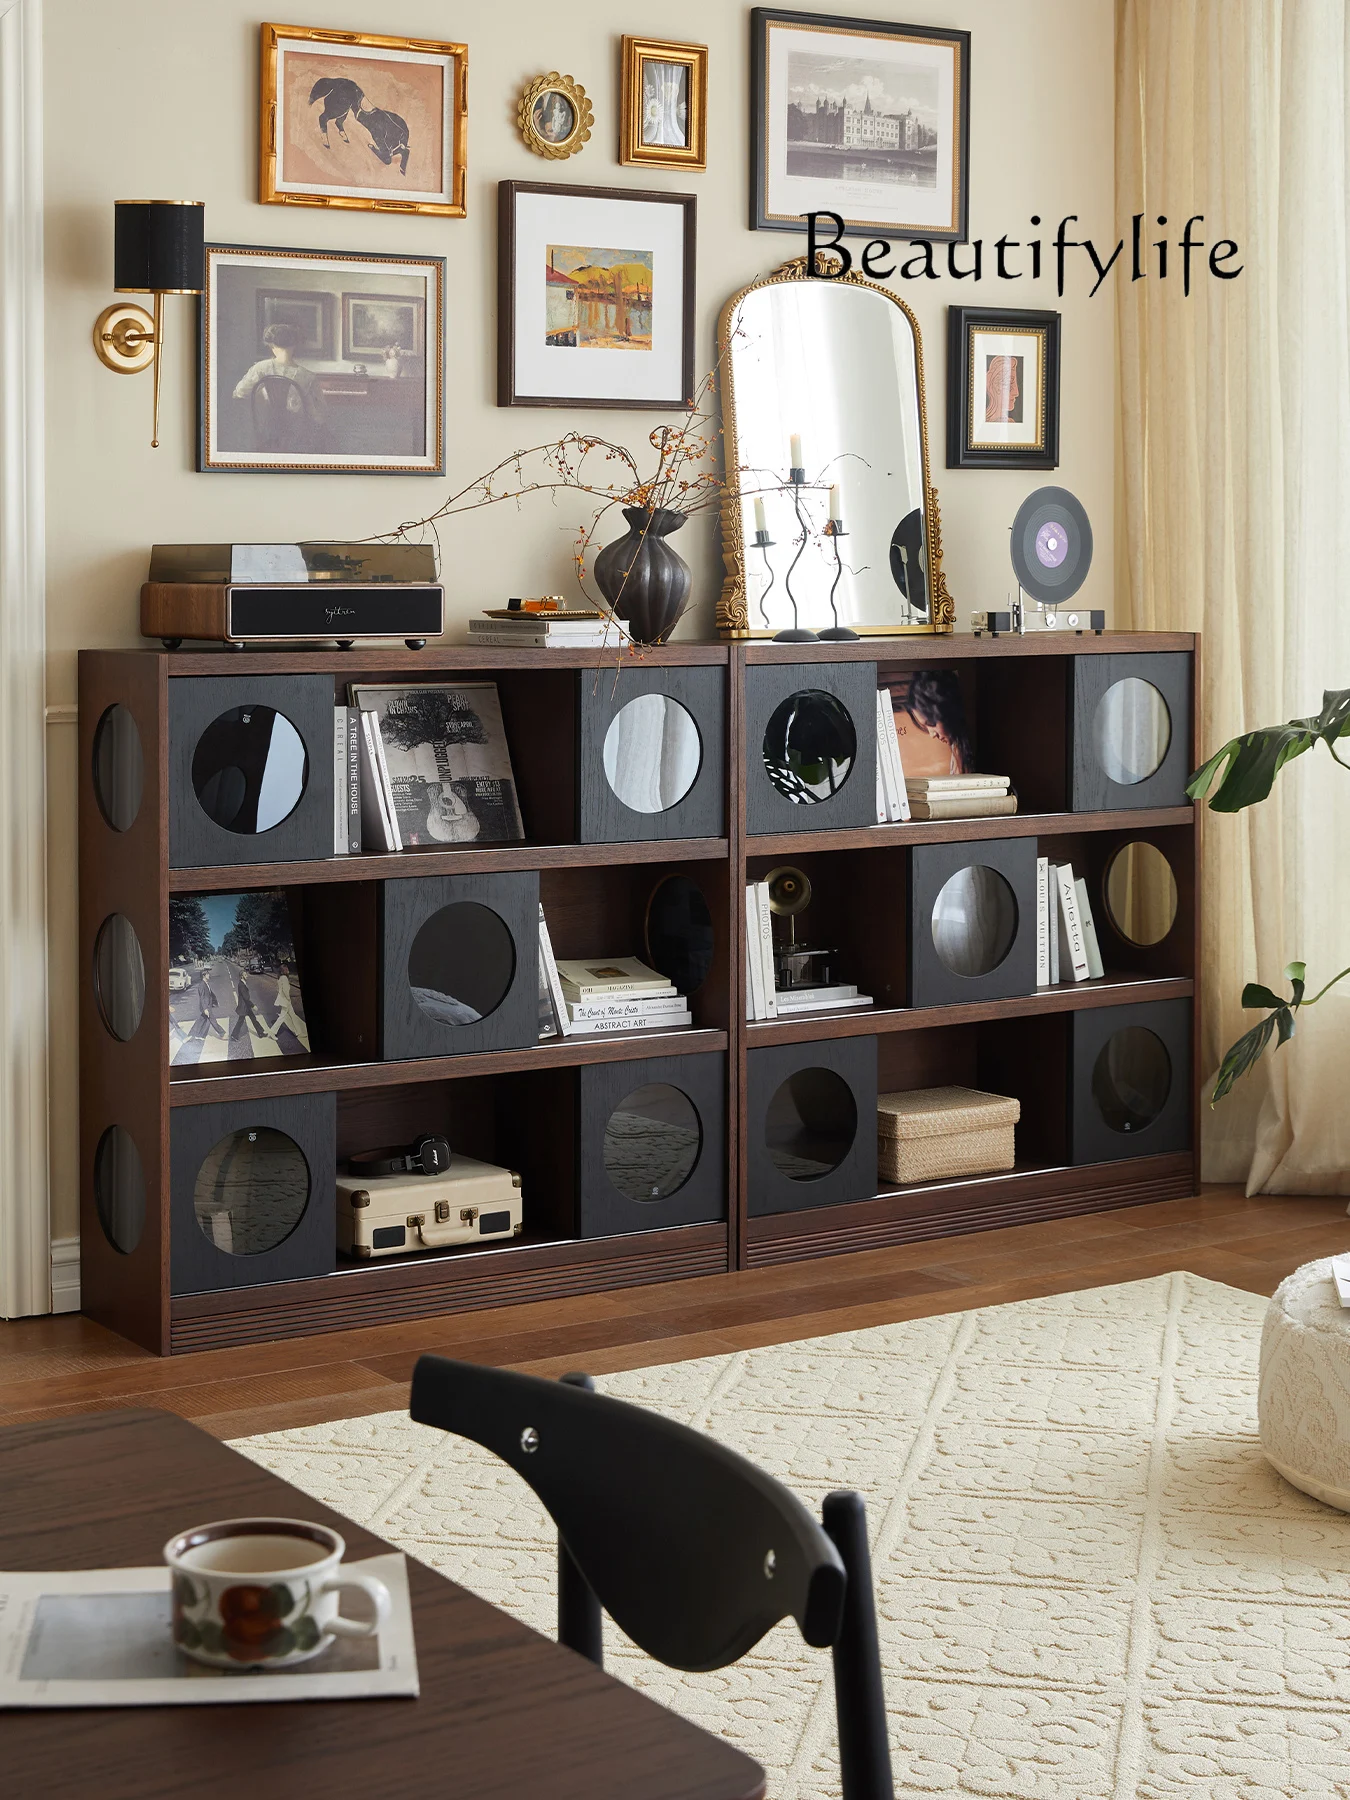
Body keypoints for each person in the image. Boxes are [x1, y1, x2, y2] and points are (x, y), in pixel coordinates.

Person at [232, 322, 330, 448]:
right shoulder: (308, 376)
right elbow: (320, 415)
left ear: (272, 346)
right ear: (294, 346)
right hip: (296, 435)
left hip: (265, 431)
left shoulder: (261, 368)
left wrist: (260, 401)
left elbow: (240, 393)